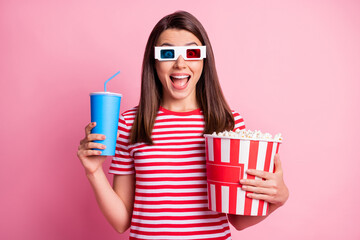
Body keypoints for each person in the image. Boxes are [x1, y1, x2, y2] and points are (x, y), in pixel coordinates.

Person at [77, 10, 289, 240]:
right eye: (168, 53)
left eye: (191, 52)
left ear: (204, 60)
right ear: (154, 61)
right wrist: (94, 171)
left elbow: (238, 220)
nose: (180, 63)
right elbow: (121, 222)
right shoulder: (130, 123)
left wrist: (278, 199)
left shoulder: (228, 123)